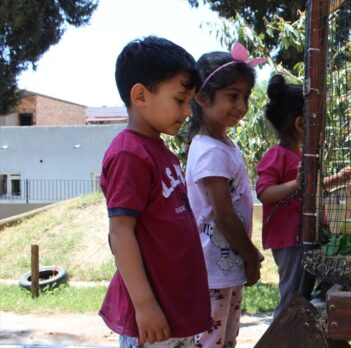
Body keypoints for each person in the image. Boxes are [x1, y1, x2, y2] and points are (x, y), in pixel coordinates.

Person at [99, 36, 212, 347]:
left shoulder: (163, 152)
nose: (188, 111)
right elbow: (121, 234)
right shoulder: (130, 155)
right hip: (151, 319)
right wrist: (145, 306)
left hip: (174, 310)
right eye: (180, 99)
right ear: (140, 95)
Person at [184, 43, 264, 347]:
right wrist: (250, 257)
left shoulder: (223, 145)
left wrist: (247, 255)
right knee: (210, 341)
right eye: (232, 96)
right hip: (212, 270)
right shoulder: (209, 151)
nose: (241, 105)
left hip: (224, 267)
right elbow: (224, 215)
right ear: (202, 97)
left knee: (226, 338)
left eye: (245, 97)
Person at [256, 74, 351, 319]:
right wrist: (295, 183)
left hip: (308, 235)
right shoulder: (277, 155)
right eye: (316, 120)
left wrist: (336, 180)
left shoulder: (301, 155)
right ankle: (281, 338)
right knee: (292, 296)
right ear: (301, 124)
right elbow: (264, 192)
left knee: (312, 291)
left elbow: (308, 188)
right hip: (290, 240)